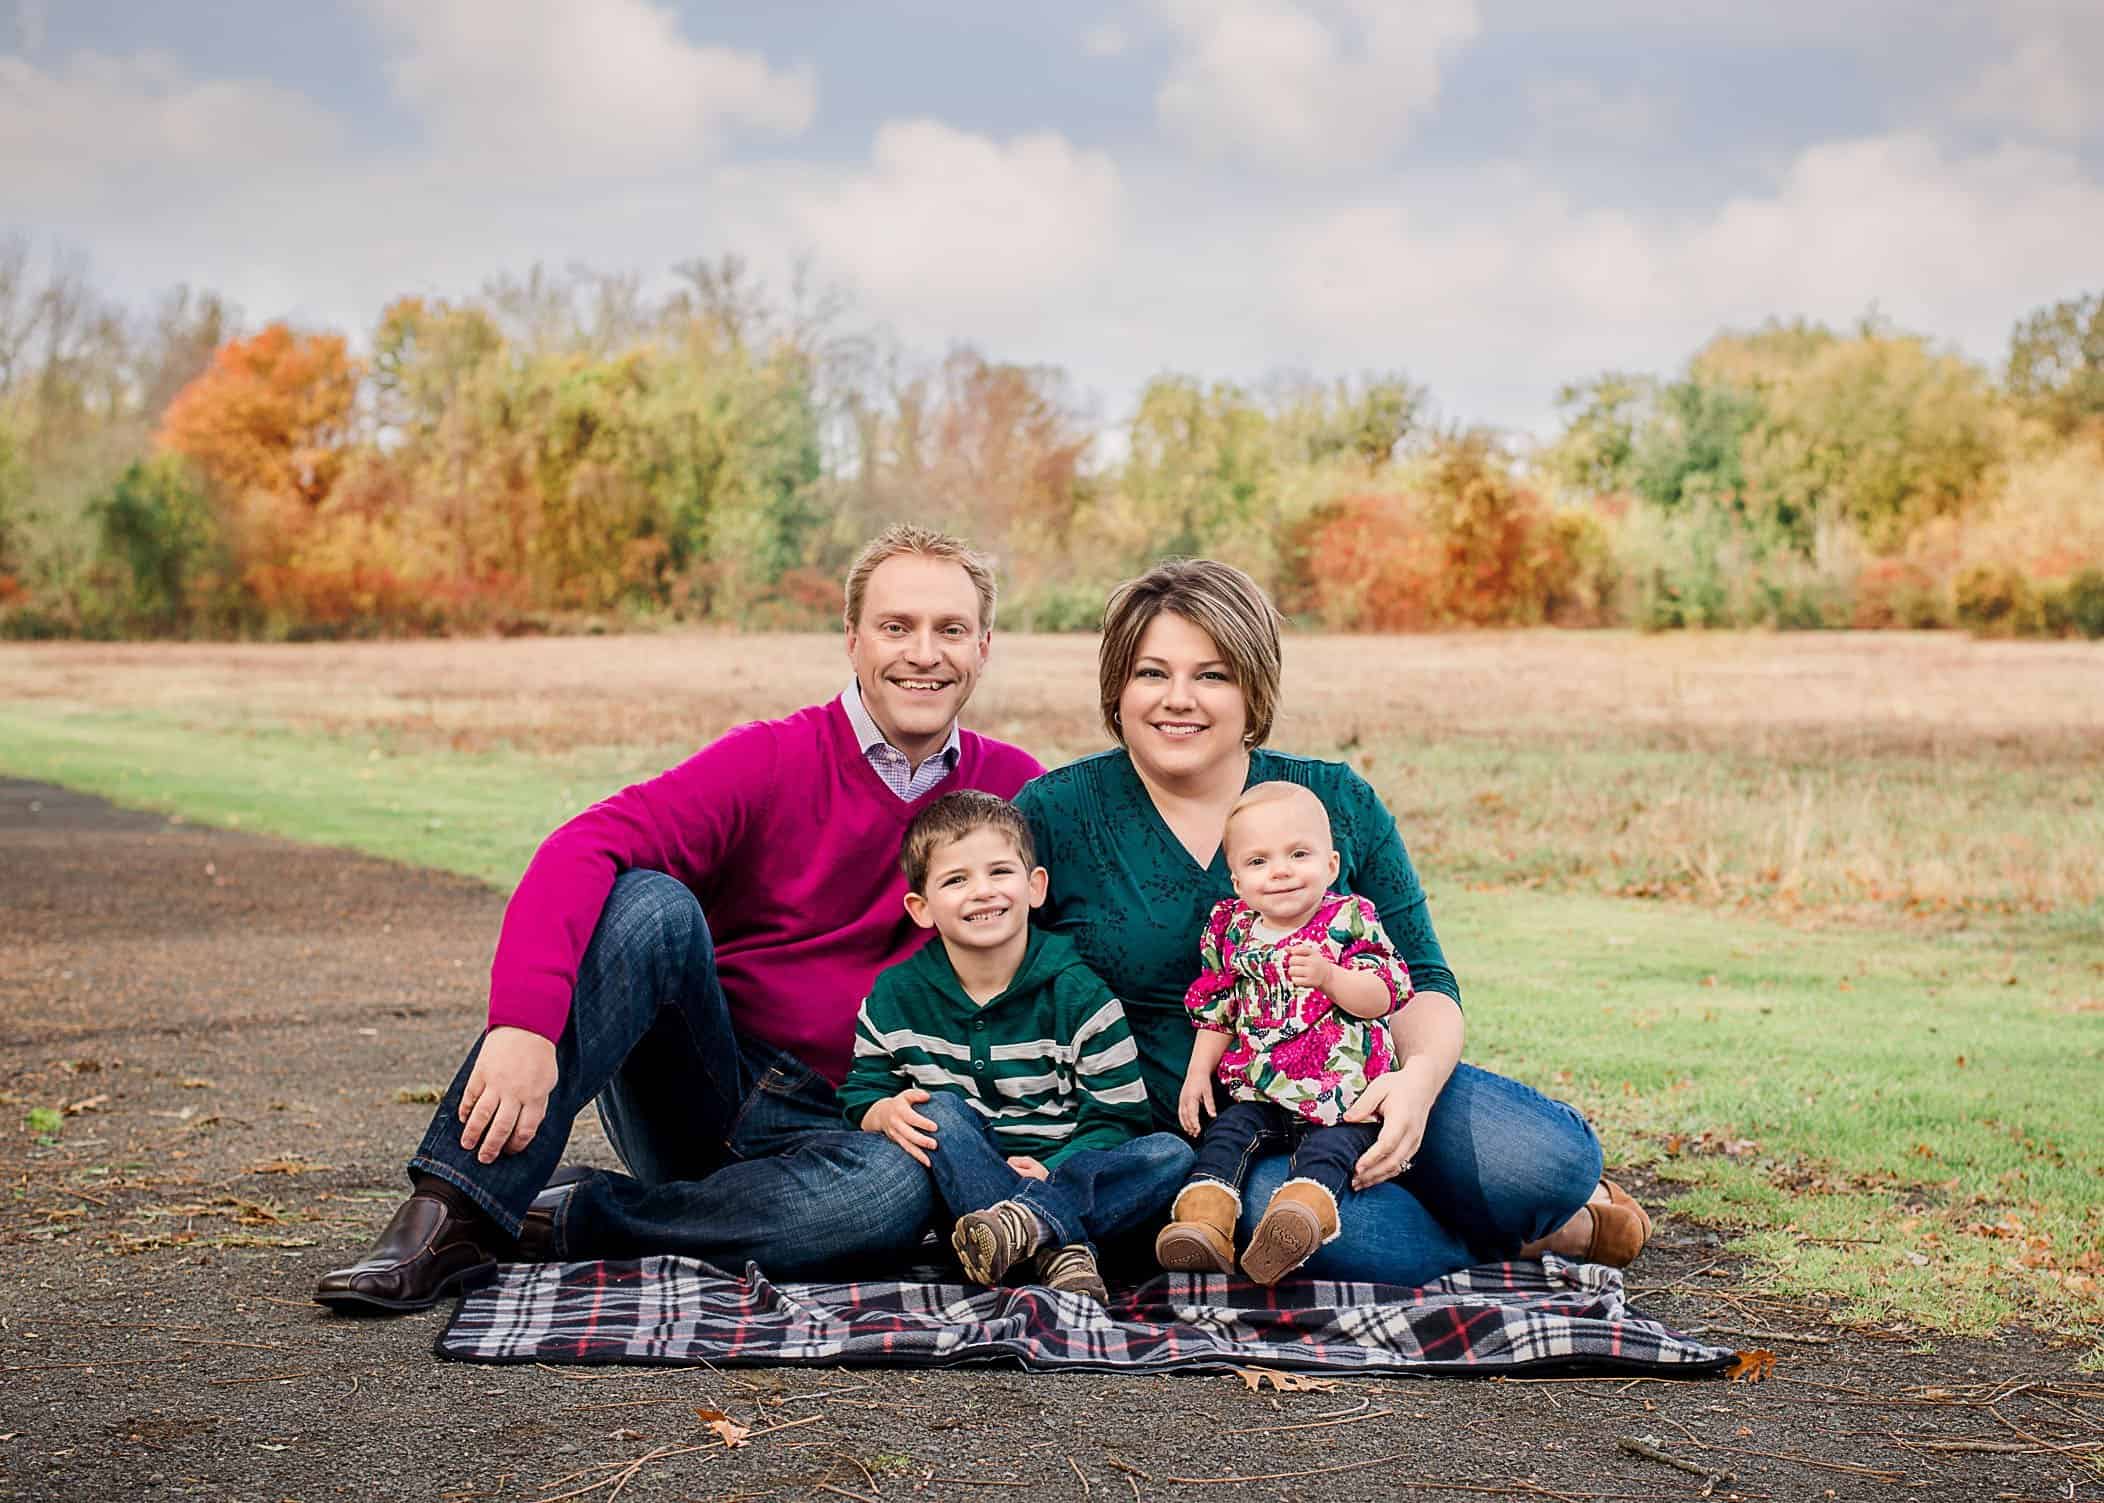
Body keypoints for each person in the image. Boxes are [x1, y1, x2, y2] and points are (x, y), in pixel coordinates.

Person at [314, 525, 1044, 1312]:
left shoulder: (1014, 793)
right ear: (853, 638)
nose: (923, 653)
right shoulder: (771, 759)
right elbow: (584, 844)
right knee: (650, 905)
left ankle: (570, 1216)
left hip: (853, 1126)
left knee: (895, 1196)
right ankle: (451, 1212)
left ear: (984, 648)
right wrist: (523, 1023)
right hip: (707, 1081)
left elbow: (1084, 954)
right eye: (896, 627)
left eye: (951, 630)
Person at [1014, 558, 1651, 1288]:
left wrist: (1415, 1086)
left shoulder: (1336, 798)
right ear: (1117, 687)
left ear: (1253, 685)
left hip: (1361, 1081)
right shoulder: (1057, 813)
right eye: (1152, 673)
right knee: (1315, 1238)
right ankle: (1541, 1235)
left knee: (1548, 1160)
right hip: (1227, 1132)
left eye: (1213, 675)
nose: (1178, 700)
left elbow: (1427, 979)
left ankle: (1538, 1197)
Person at [840, 791, 1193, 1305]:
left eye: (999, 872)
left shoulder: (1080, 997)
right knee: (935, 1109)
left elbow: (1116, 1120)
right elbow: (862, 1090)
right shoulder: (896, 998)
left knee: (1170, 1155)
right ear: (920, 907)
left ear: (1035, 887)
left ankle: (1029, 1226)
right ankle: (1058, 1248)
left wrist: (1056, 1170)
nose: (982, 892)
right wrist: (882, 1113)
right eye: (956, 880)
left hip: (1067, 1174)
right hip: (960, 1195)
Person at [1156, 780, 1413, 1284]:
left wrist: (1331, 978)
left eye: (1298, 854)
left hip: (1346, 1095)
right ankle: (1206, 1223)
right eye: (1258, 862)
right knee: (1227, 1135)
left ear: (1332, 865)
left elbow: (1386, 991)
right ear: (1236, 882)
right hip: (1263, 1088)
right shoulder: (1231, 929)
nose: (1280, 871)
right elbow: (1219, 1008)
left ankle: (1297, 1219)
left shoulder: (1348, 920)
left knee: (1330, 1152)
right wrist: (1196, 1074)